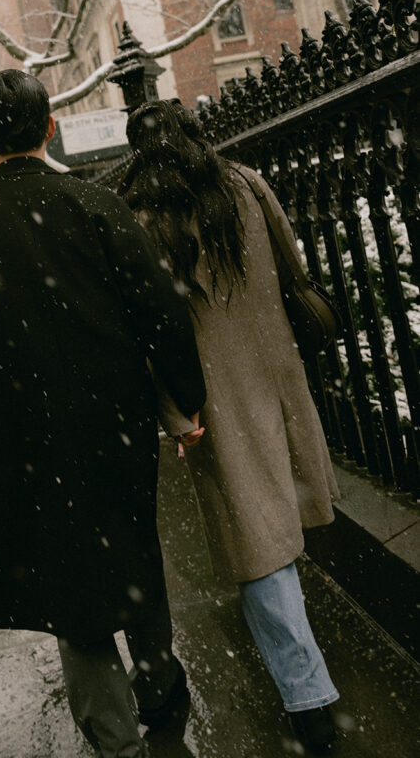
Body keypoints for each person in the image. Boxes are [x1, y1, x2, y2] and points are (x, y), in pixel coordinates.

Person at [0, 70, 207, 758]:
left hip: (20, 433)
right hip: (112, 417)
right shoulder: (95, 206)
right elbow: (160, 311)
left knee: (69, 584)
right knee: (131, 552)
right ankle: (160, 693)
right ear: (49, 126)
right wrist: (186, 402)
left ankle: (114, 739)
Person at [118, 99, 340, 756]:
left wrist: (173, 415)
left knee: (259, 553)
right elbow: (292, 266)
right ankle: (309, 697)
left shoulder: (143, 220)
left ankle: (309, 703)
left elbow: (149, 331)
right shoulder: (244, 184)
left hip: (214, 399)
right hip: (274, 374)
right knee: (277, 538)